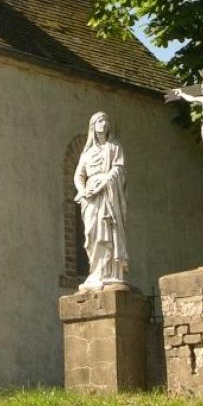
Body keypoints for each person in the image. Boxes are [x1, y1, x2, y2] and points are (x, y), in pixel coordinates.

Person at [73, 111, 129, 291]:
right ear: (93, 126)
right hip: (91, 197)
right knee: (92, 234)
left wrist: (104, 181)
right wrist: (83, 191)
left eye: (106, 120)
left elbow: (119, 169)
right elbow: (78, 175)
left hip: (108, 194)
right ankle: (96, 271)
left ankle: (109, 273)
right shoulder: (87, 153)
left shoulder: (114, 147)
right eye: (99, 121)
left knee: (107, 231)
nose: (103, 123)